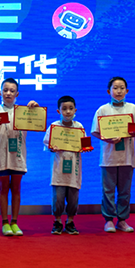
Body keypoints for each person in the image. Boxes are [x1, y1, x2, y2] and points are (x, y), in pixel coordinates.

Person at [0, 78, 39, 236]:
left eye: (12, 90)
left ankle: (14, 222)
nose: (8, 93)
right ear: (0, 92)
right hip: (2, 156)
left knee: (16, 189)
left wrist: (35, 109)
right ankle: (5, 223)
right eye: (5, 90)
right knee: (3, 189)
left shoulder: (23, 111)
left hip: (18, 156)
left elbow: (37, 123)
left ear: (17, 94)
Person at [91, 77, 135, 233]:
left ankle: (122, 220)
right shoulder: (102, 110)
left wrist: (131, 133)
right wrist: (107, 138)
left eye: (122, 88)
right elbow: (95, 131)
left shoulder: (133, 109)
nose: (118, 91)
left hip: (127, 157)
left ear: (127, 91)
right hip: (108, 157)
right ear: (109, 91)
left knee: (125, 191)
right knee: (108, 191)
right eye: (115, 88)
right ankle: (108, 220)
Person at [43, 96, 85, 235]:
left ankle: (70, 221)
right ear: (58, 111)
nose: (68, 111)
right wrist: (52, 148)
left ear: (75, 110)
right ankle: (57, 221)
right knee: (58, 198)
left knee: (73, 197)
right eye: (64, 109)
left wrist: (86, 147)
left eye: (70, 108)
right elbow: (46, 144)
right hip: (58, 168)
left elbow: (84, 144)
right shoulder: (54, 127)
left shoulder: (79, 127)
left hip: (74, 168)